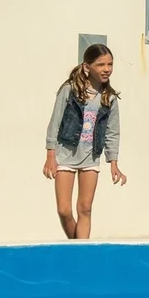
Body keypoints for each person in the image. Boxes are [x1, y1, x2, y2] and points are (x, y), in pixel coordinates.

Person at [43, 43, 127, 239]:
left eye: (110, 64)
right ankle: (77, 245)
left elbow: (113, 132)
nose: (107, 69)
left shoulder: (109, 98)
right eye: (100, 65)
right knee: (64, 210)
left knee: (85, 208)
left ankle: (81, 250)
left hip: (91, 157)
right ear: (87, 67)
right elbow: (55, 121)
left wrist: (113, 162)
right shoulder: (69, 90)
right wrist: (50, 155)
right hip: (66, 154)